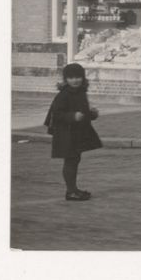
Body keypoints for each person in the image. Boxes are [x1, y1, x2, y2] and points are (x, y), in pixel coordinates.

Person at [44, 62, 102, 202]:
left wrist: (91, 114)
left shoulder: (81, 92)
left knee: (75, 159)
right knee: (70, 161)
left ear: (83, 78)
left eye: (78, 77)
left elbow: (82, 111)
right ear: (66, 79)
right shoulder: (63, 95)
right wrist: (72, 116)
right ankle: (70, 192)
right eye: (71, 78)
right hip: (66, 134)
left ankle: (73, 189)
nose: (75, 80)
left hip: (76, 133)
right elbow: (56, 114)